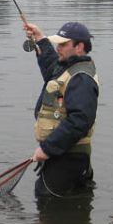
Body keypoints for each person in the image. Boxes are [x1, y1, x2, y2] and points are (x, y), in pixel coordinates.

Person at [22, 21, 99, 197]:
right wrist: (40, 39)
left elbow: (79, 121)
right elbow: (52, 70)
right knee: (73, 204)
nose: (59, 48)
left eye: (63, 44)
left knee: (48, 202)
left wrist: (47, 149)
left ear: (79, 47)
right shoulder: (68, 66)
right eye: (58, 43)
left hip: (69, 158)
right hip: (64, 154)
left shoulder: (81, 79)